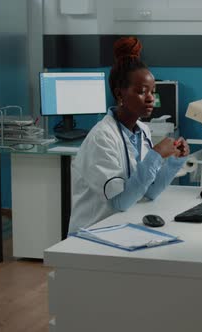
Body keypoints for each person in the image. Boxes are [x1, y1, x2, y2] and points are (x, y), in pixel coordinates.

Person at [69, 36, 190, 233]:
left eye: (153, 91)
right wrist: (156, 155)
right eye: (142, 91)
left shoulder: (142, 131)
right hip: (93, 234)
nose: (151, 98)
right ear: (119, 94)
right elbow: (120, 201)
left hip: (122, 229)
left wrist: (175, 161)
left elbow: (149, 191)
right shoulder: (102, 137)